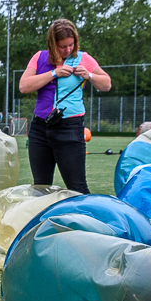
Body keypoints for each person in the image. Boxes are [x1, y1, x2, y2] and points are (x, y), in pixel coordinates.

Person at [18, 19, 112, 192]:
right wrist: (54, 73)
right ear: (52, 44)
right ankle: (44, 219)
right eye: (62, 46)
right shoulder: (40, 57)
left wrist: (89, 75)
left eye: (71, 44)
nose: (67, 50)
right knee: (40, 187)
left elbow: (106, 84)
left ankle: (86, 218)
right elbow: (24, 86)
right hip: (40, 128)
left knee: (77, 186)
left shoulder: (83, 58)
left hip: (70, 128)